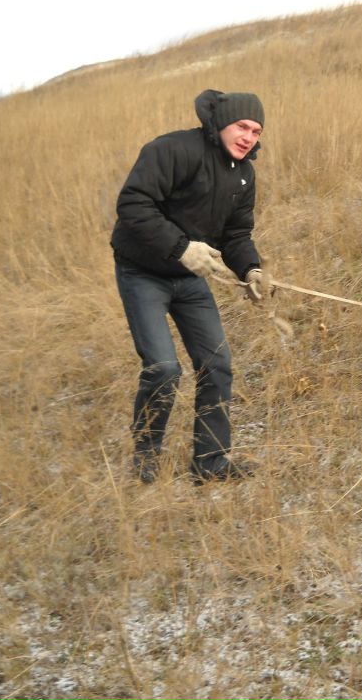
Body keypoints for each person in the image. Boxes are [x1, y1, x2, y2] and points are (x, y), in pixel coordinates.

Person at [111, 89, 270, 484]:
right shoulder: (172, 150)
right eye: (242, 127)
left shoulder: (244, 174)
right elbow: (133, 205)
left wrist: (250, 269)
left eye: (256, 131)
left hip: (189, 278)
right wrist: (180, 247)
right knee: (164, 368)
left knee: (217, 364)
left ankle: (210, 463)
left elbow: (236, 234)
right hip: (142, 272)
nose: (248, 137)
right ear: (222, 123)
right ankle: (147, 452)